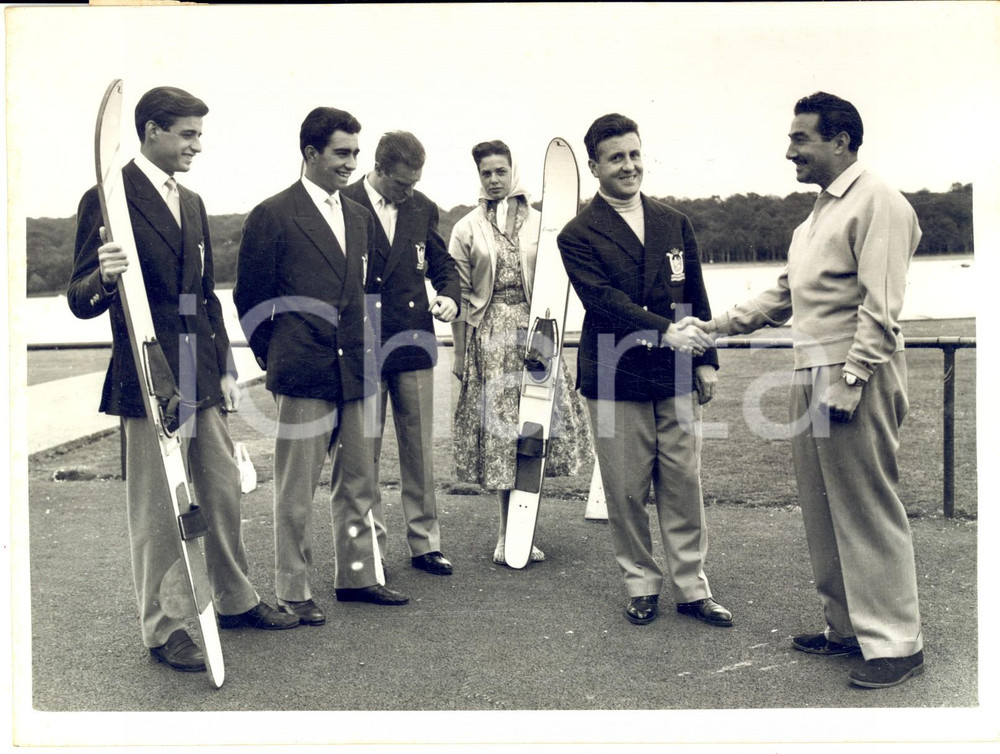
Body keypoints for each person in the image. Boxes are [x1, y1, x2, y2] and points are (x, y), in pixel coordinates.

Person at [684, 92, 924, 688]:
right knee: (823, 509)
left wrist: (854, 377)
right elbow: (783, 295)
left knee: (866, 508)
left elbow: (882, 307)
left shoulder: (879, 202)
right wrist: (715, 325)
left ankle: (897, 642)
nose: (789, 151)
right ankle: (847, 629)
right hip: (810, 370)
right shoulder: (816, 216)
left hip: (852, 374)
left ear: (840, 141)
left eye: (800, 139)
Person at [68, 86, 299, 674]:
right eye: (188, 134)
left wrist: (226, 367)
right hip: (147, 378)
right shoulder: (106, 197)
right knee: (158, 511)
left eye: (200, 134)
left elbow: (203, 296)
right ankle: (165, 627)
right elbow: (79, 299)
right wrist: (103, 276)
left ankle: (235, 599)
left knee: (221, 491)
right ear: (152, 131)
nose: (198, 145)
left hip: (202, 374)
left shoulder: (191, 202)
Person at [234, 107, 409, 627]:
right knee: (296, 489)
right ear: (311, 153)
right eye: (341, 153)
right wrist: (278, 353)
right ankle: (293, 590)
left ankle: (357, 576)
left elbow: (363, 293)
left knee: (359, 481)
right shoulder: (272, 214)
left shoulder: (358, 215)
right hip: (303, 370)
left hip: (356, 369)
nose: (351, 163)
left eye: (356, 153)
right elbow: (250, 299)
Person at [557, 114, 732, 629]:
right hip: (615, 376)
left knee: (683, 483)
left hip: (676, 372)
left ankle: (692, 588)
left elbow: (694, 294)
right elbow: (603, 302)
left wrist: (705, 359)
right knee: (627, 490)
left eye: (634, 154)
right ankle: (641, 584)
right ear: (594, 166)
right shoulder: (576, 234)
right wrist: (664, 331)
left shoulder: (673, 221)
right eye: (616, 158)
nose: (629, 165)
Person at [449, 140, 592, 566]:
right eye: (486, 173)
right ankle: (505, 534)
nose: (494, 180)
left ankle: (524, 528)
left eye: (500, 171)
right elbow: (458, 295)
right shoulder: (467, 228)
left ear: (513, 171)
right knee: (502, 436)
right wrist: (459, 354)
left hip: (537, 332)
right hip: (490, 337)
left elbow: (562, 279)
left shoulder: (544, 223)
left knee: (533, 431)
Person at [341, 131, 461, 577]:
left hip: (413, 340)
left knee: (419, 452)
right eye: (402, 184)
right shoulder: (343, 201)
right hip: (364, 342)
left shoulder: (422, 206)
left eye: (415, 183)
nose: (409, 192)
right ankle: (370, 548)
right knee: (363, 454)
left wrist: (449, 295)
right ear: (378, 168)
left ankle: (426, 544)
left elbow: (442, 264)